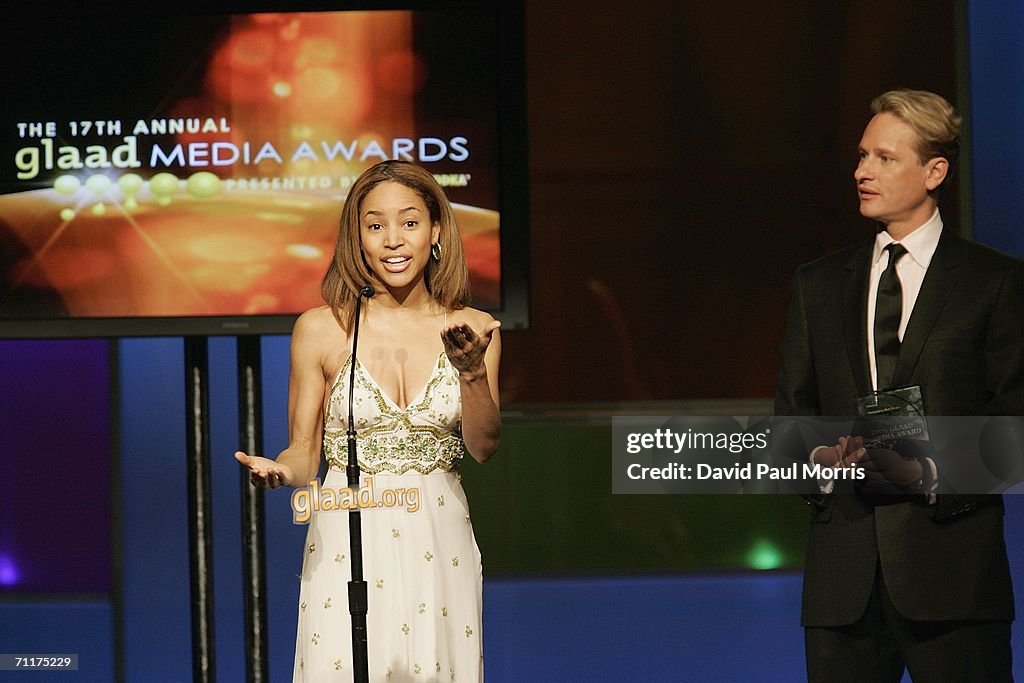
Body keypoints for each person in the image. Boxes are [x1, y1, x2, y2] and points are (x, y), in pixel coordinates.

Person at [774, 89, 1024, 681]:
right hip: (843, 587)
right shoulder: (818, 285)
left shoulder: (995, 283)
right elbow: (790, 421)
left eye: (884, 158)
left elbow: (1014, 424)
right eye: (862, 156)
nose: (862, 171)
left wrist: (929, 471)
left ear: (934, 170)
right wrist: (818, 461)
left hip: (954, 581)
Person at [235, 160, 501, 681]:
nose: (393, 240)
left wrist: (471, 373)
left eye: (409, 222)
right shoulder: (322, 329)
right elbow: (303, 452)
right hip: (347, 534)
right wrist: (282, 474)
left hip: (438, 536)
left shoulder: (472, 328)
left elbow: (485, 446)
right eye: (375, 225)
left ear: (436, 230)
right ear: (357, 238)